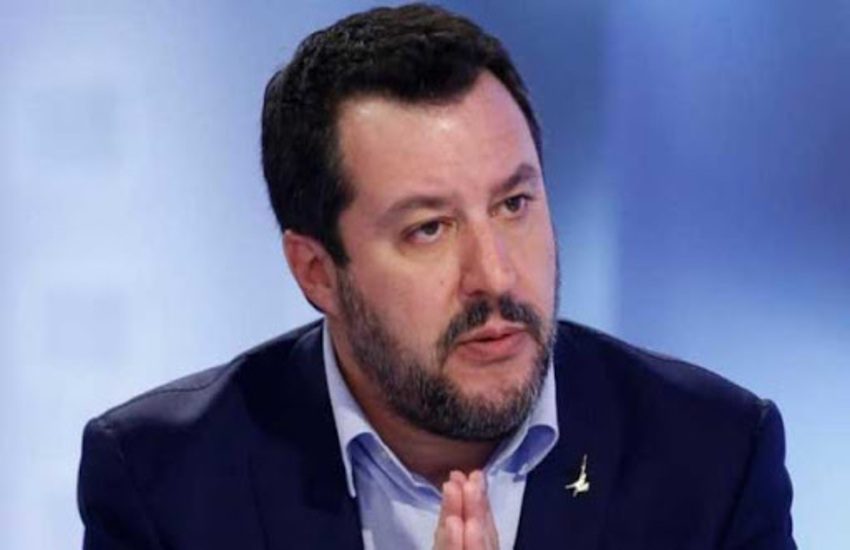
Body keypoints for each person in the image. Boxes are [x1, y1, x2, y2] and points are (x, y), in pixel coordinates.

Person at [77, 4, 796, 549]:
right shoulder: (163, 481)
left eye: (514, 205)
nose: (495, 274)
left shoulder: (713, 459)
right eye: (429, 228)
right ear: (317, 272)